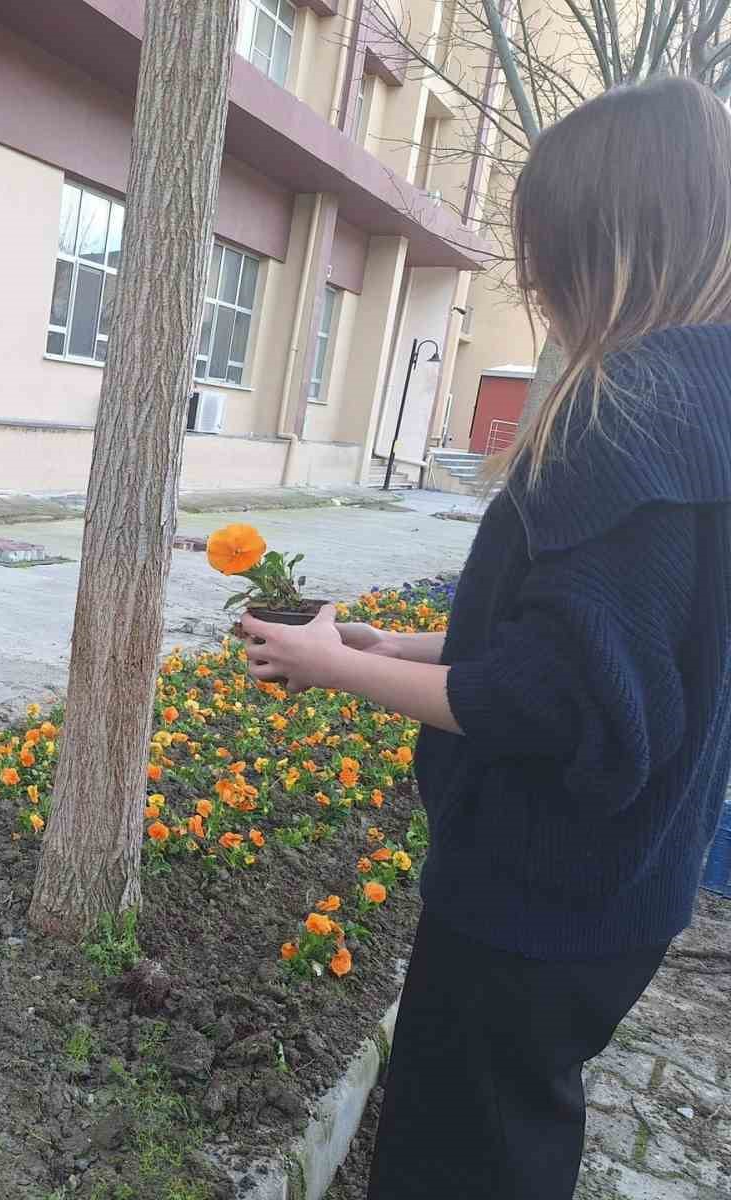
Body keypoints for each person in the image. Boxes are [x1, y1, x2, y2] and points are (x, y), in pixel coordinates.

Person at [237, 76, 731, 1200]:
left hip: (533, 894)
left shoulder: (624, 418)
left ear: (597, 240)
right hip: (629, 889)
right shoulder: (710, 410)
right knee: (519, 1126)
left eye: (542, 248)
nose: (537, 283)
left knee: (457, 1157)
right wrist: (400, 645)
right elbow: (626, 649)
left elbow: (566, 699)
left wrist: (328, 670)